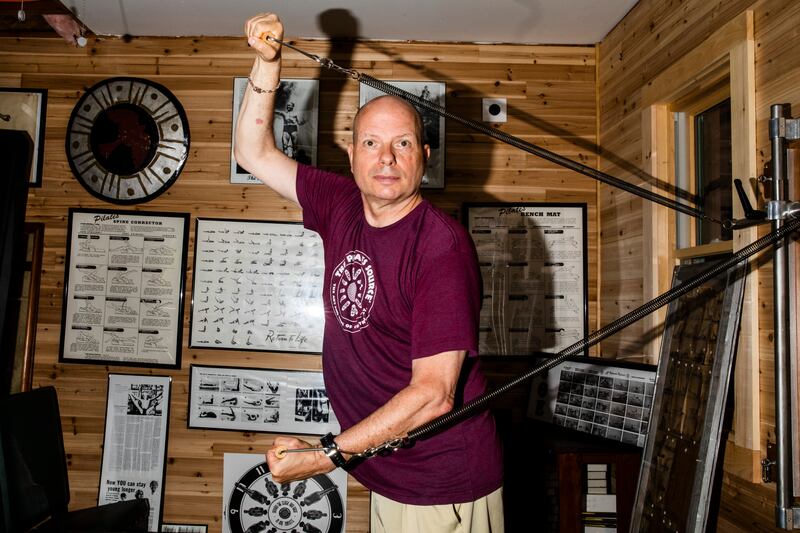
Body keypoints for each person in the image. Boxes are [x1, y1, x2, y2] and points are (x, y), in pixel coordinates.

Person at [235, 13, 503, 532]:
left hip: (441, 481)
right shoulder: (339, 204)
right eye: (372, 143)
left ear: (424, 157)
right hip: (388, 466)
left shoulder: (441, 246)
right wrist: (269, 64)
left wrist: (322, 456)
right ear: (352, 155)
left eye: (402, 143)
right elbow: (253, 152)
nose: (387, 158)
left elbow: (433, 394)